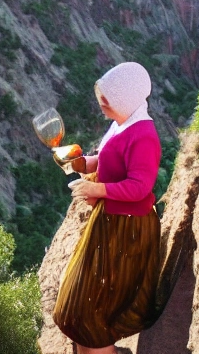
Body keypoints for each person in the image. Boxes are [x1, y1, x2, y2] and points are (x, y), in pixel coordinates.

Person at [52, 62, 162, 354]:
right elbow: (101, 160)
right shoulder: (121, 124)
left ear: (125, 99)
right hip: (109, 223)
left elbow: (140, 186)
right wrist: (77, 162)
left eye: (108, 100)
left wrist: (96, 189)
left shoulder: (144, 136)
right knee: (79, 306)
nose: (102, 105)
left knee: (94, 311)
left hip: (128, 230)